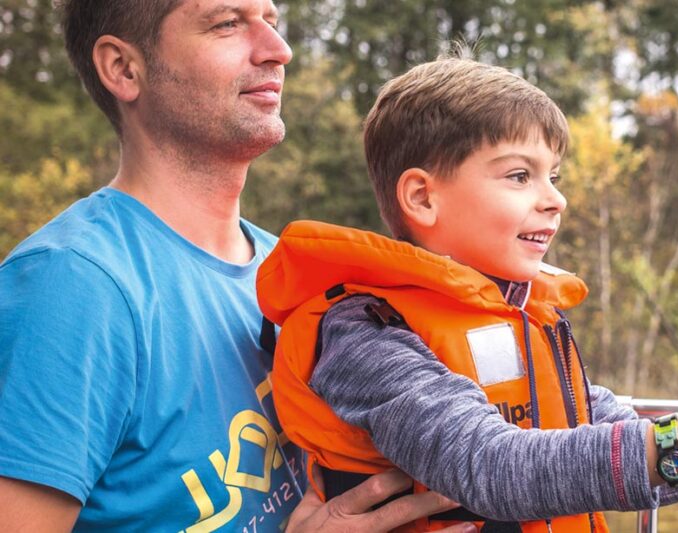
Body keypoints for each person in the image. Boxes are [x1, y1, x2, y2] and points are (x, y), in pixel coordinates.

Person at [256, 58, 678, 532]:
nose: (555, 199)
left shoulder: (523, 321)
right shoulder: (366, 333)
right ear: (422, 198)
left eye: (554, 176)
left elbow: (629, 448)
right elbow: (492, 468)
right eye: (520, 175)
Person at [0, 0, 473, 531]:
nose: (279, 50)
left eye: (270, 21)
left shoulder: (290, 275)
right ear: (123, 68)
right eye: (227, 23)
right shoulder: (71, 286)